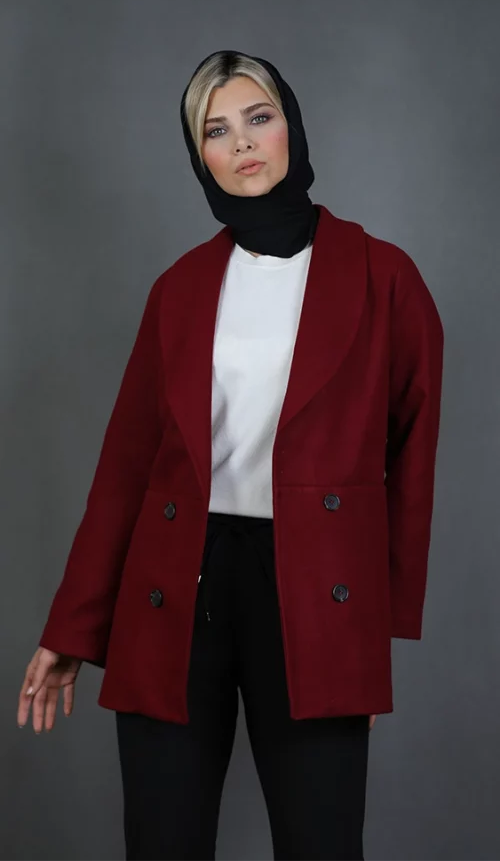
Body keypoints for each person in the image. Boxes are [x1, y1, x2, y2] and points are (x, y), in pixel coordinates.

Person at [17, 49, 444, 859]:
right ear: (199, 157)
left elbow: (413, 458)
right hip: (179, 579)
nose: (243, 142)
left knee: (321, 844)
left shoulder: (384, 277)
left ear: (291, 128)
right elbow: (126, 470)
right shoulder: (179, 287)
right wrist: (73, 626)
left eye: (259, 117)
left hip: (315, 588)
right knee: (163, 840)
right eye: (216, 130)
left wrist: (376, 626)